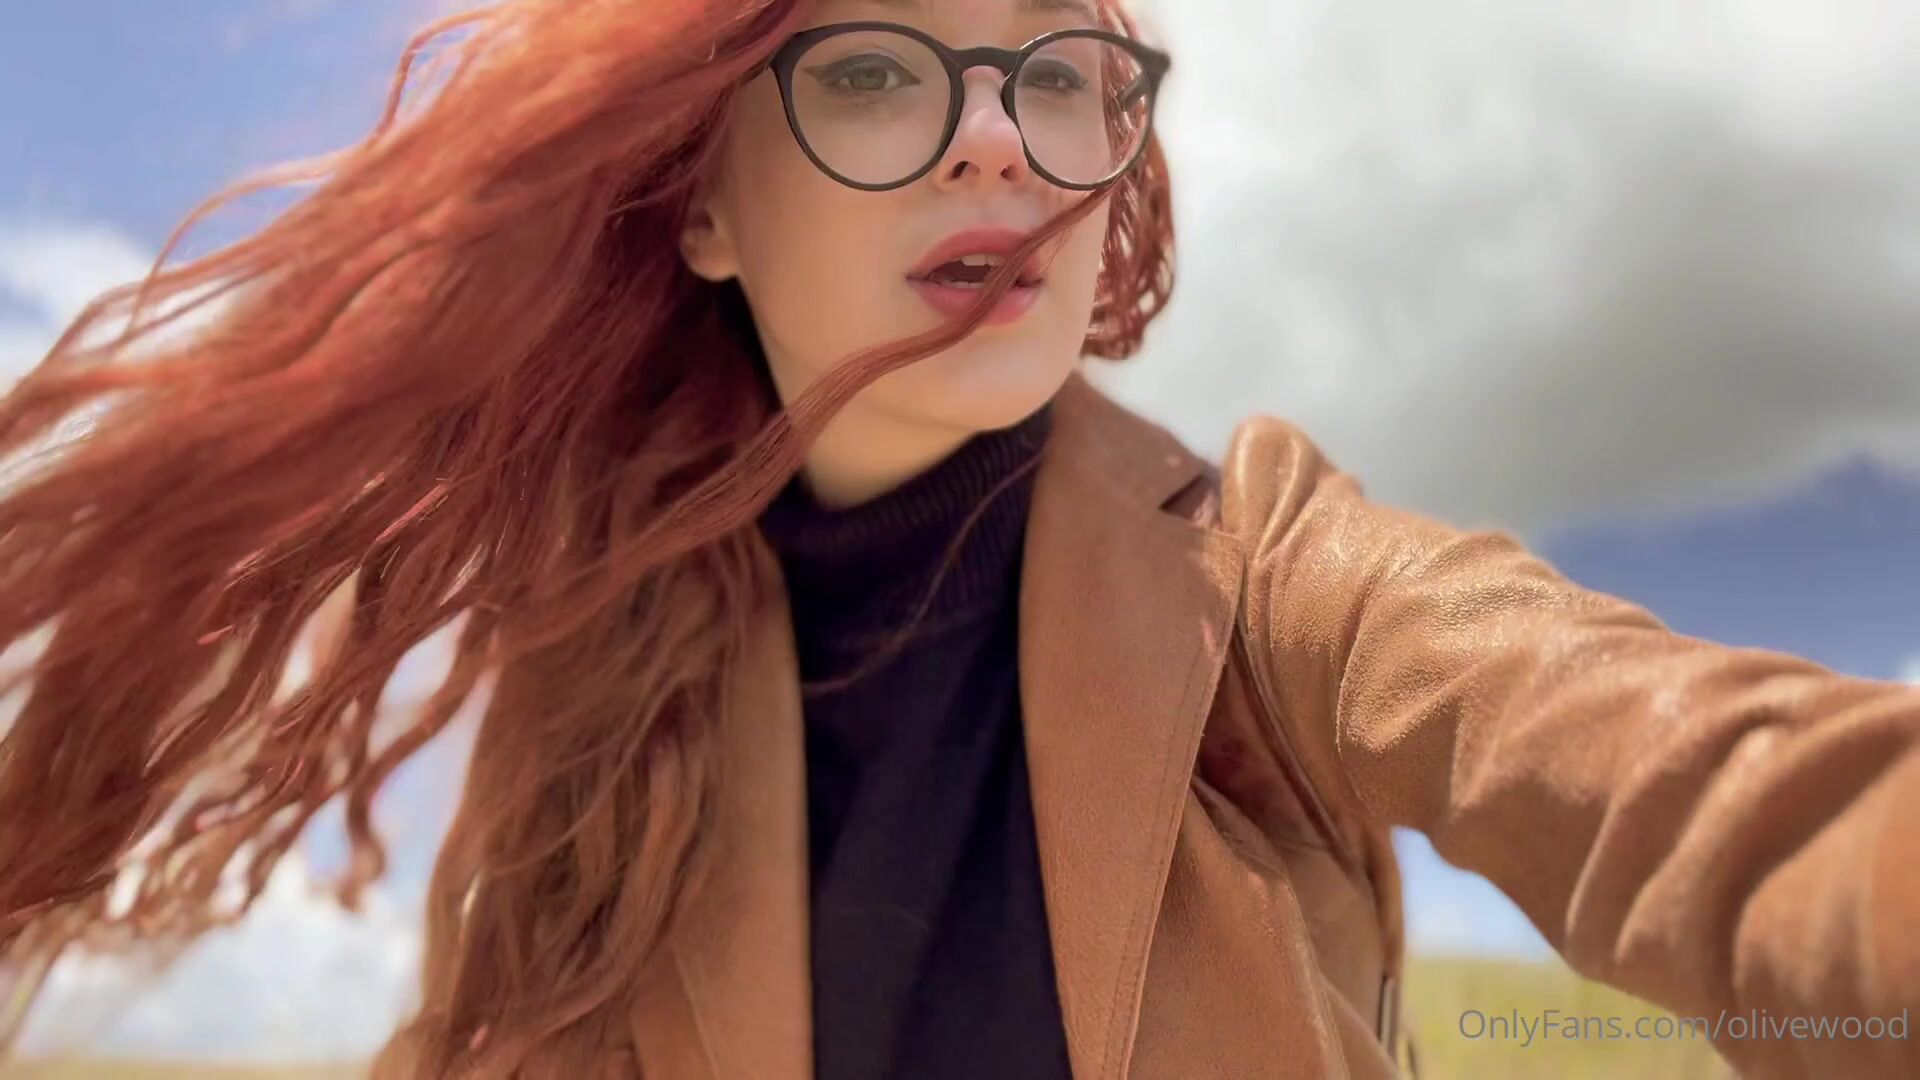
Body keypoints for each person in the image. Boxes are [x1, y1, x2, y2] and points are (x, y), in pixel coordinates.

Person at [0, 1, 1913, 1077]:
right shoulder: (598, 672)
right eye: (870, 69)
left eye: (1056, 74)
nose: (998, 141)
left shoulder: (1267, 575)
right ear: (704, 211)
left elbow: (1721, 804)